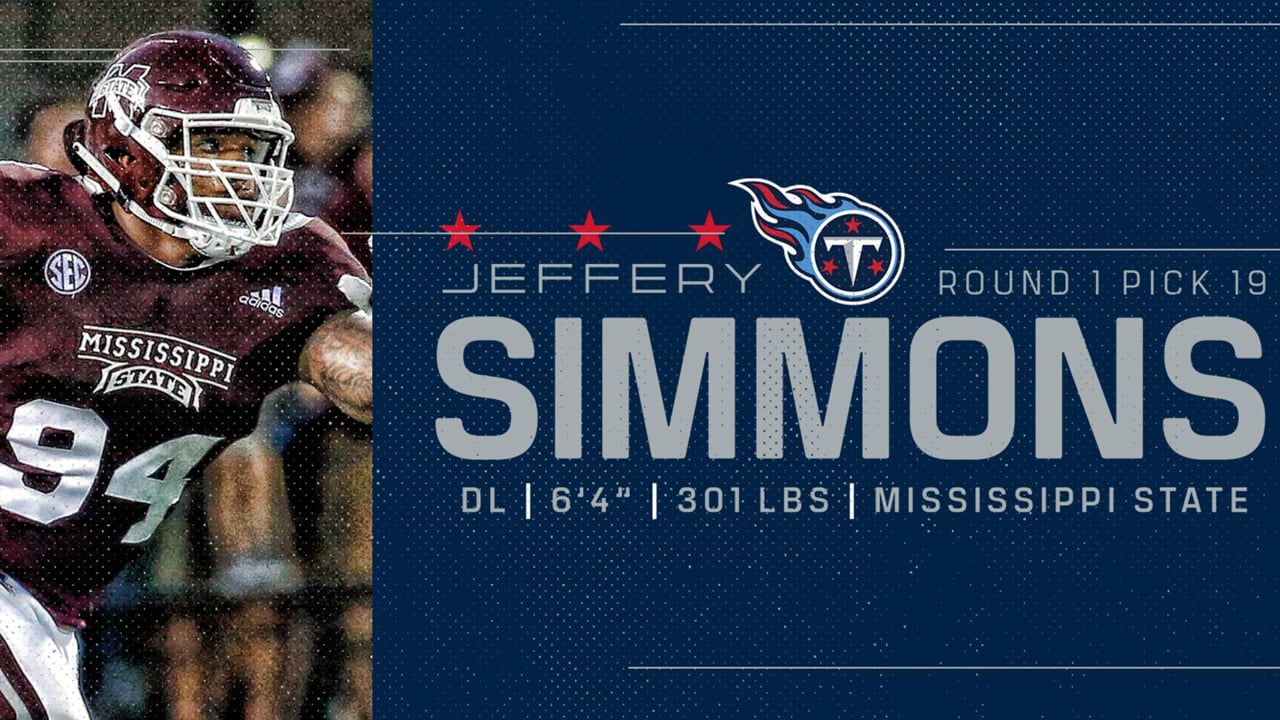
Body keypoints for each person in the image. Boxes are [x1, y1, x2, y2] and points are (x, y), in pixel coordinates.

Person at [0, 30, 370, 719]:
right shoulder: (26, 223)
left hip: (49, 603)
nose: (240, 174)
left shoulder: (284, 268)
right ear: (124, 149)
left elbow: (345, 355)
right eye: (215, 147)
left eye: (250, 152)